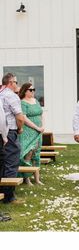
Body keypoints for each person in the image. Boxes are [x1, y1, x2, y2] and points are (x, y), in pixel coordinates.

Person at [0, 73, 24, 204]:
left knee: (2, 163)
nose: (17, 84)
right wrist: (20, 128)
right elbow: (19, 117)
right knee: (11, 162)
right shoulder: (12, 96)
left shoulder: (1, 93)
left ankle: (2, 192)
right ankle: (9, 196)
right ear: (10, 83)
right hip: (10, 131)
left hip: (1, 132)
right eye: (15, 81)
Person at [18, 83, 44, 185]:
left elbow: (41, 114)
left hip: (38, 131)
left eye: (34, 89)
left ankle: (37, 178)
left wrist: (42, 126)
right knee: (28, 153)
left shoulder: (36, 101)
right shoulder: (22, 103)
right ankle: (27, 178)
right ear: (25, 91)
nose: (33, 91)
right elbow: (24, 118)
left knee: (36, 153)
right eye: (30, 90)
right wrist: (36, 127)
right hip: (29, 131)